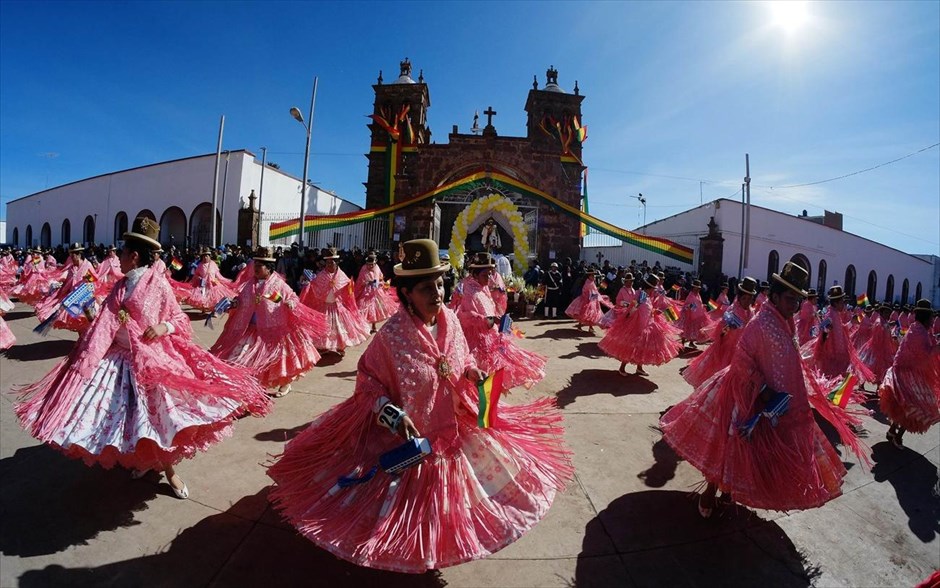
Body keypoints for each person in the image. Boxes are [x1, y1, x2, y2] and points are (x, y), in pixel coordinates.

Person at [267, 239, 572, 573]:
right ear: (407, 293)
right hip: (410, 439)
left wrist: (471, 370)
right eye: (427, 288)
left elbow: (461, 355)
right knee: (411, 510)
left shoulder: (451, 320)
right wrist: (390, 414)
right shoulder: (391, 336)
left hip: (454, 426)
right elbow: (368, 380)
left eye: (440, 285)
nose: (437, 294)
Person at [14, 217, 271, 499]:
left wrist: (164, 327)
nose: (119, 258)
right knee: (135, 421)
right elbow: (104, 328)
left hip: (154, 360)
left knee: (160, 420)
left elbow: (179, 319)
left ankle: (170, 472)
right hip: (121, 361)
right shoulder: (119, 287)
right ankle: (147, 462)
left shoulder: (158, 285)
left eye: (123, 253)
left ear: (134, 256)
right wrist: (88, 331)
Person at [660, 262, 848, 517]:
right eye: (790, 299)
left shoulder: (784, 322)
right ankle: (710, 491)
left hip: (771, 402)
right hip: (743, 394)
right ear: (776, 296)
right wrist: (763, 389)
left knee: (744, 451)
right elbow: (742, 360)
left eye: (797, 300)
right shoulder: (761, 323)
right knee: (727, 444)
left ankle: (727, 491)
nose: (795, 305)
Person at [210, 247, 327, 398]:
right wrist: (234, 303)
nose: (256, 270)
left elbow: (291, 296)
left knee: (277, 362)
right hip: (250, 328)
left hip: (272, 330)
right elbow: (242, 299)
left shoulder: (278, 284)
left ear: (269, 268)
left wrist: (290, 303)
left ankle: (285, 384)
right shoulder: (249, 283)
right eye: (255, 267)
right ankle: (252, 387)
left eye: (259, 267)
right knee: (244, 360)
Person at [457, 252, 546, 390]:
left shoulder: (482, 286)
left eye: (490, 274)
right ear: (474, 274)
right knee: (478, 376)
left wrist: (496, 319)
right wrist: (488, 320)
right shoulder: (466, 290)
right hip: (473, 341)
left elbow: (490, 305)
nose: (489, 278)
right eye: (485, 275)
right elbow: (464, 315)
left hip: (489, 334)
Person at [878, 299, 939, 448]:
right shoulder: (919, 332)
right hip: (907, 374)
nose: (933, 320)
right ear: (926, 317)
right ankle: (897, 436)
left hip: (908, 373)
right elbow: (926, 354)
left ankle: (893, 431)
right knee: (912, 407)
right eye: (931, 317)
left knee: (906, 407)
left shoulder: (918, 329)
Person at [598, 273, 682, 377]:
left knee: (642, 347)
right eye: (653, 288)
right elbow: (634, 307)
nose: (654, 290)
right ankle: (622, 368)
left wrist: (655, 312)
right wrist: (629, 318)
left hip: (647, 324)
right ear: (649, 287)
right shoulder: (641, 295)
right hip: (637, 325)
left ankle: (639, 368)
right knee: (630, 347)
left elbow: (647, 309)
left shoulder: (646, 296)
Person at [682, 277, 757, 389]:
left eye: (750, 299)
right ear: (739, 298)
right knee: (719, 381)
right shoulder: (732, 311)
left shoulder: (751, 313)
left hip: (741, 353)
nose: (747, 301)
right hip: (727, 351)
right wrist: (727, 328)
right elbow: (721, 332)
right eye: (745, 298)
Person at [299, 247, 370, 356]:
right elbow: (315, 286)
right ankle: (324, 346)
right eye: (327, 263)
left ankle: (341, 346)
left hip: (338, 307)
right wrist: (308, 284)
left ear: (336, 263)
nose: (329, 265)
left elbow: (347, 286)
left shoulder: (341, 275)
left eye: (331, 263)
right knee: (325, 328)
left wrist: (350, 287)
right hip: (325, 306)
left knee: (339, 328)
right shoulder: (321, 275)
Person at [802, 285, 874, 387]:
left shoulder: (835, 314)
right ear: (836, 303)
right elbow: (822, 331)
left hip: (839, 356)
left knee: (839, 381)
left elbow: (842, 329)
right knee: (832, 381)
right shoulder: (830, 315)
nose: (843, 305)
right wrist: (822, 346)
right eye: (842, 302)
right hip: (832, 357)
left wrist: (851, 323)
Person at [34, 243, 97, 333]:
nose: (71, 258)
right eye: (70, 256)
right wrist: (58, 284)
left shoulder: (88, 265)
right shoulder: (72, 268)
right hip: (72, 297)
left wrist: (87, 281)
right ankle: (81, 340)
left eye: (73, 256)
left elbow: (93, 281)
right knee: (76, 322)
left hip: (85, 297)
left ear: (78, 254)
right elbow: (66, 280)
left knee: (89, 320)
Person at [178, 248, 236, 313]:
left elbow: (218, 275)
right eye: (204, 256)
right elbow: (196, 275)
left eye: (207, 256)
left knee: (214, 298)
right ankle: (203, 310)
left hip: (213, 284)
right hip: (203, 284)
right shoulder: (200, 265)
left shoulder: (213, 264)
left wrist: (226, 281)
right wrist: (199, 278)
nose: (205, 257)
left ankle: (215, 311)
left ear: (209, 256)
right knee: (203, 297)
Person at [354, 251, 398, 333]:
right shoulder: (363, 269)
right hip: (366, 293)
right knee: (364, 310)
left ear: (375, 263)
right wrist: (368, 282)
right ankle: (364, 328)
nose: (370, 266)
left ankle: (374, 327)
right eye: (369, 264)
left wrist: (381, 283)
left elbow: (381, 277)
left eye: (372, 264)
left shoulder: (377, 267)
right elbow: (360, 281)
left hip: (376, 292)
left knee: (375, 310)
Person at [565, 268, 611, 334]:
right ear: (589, 276)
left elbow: (594, 291)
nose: (594, 276)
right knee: (584, 314)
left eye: (594, 275)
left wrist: (597, 292)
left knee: (591, 315)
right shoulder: (588, 283)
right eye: (592, 275)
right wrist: (597, 295)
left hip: (592, 301)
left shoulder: (591, 282)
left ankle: (590, 327)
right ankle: (580, 326)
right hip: (586, 301)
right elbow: (589, 293)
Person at [676, 279, 713, 349]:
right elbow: (686, 305)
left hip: (696, 316)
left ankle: (691, 342)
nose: (698, 289)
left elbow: (699, 304)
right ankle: (683, 343)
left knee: (694, 330)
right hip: (689, 316)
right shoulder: (690, 295)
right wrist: (690, 306)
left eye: (698, 288)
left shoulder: (698, 295)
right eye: (696, 288)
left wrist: (702, 306)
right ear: (693, 288)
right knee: (686, 329)